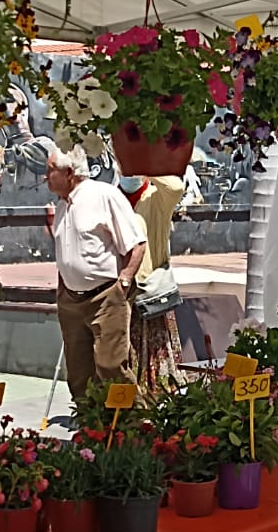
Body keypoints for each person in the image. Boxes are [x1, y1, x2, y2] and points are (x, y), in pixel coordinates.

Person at [46, 147, 146, 404]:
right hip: (70, 300)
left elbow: (136, 244)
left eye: (50, 171)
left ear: (69, 172)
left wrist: (124, 282)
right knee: (78, 372)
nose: (45, 177)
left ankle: (136, 423)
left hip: (105, 296)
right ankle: (91, 425)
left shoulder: (104, 195)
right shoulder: (62, 205)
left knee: (111, 366)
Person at [121, 173, 187, 388]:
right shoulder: (111, 196)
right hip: (118, 290)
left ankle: (154, 395)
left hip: (150, 288)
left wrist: (146, 166)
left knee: (154, 348)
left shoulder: (156, 197)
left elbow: (176, 187)